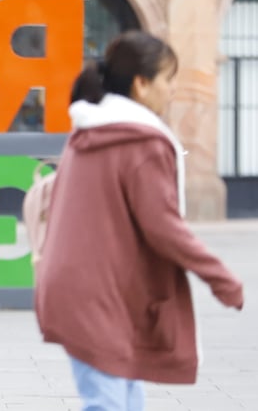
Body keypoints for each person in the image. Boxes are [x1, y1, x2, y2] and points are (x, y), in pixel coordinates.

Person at [35, 31, 244, 410]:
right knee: (111, 402)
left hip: (84, 289)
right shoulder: (140, 142)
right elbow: (163, 226)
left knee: (123, 399)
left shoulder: (89, 132)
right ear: (142, 84)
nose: (174, 90)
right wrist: (221, 277)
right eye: (169, 79)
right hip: (101, 296)